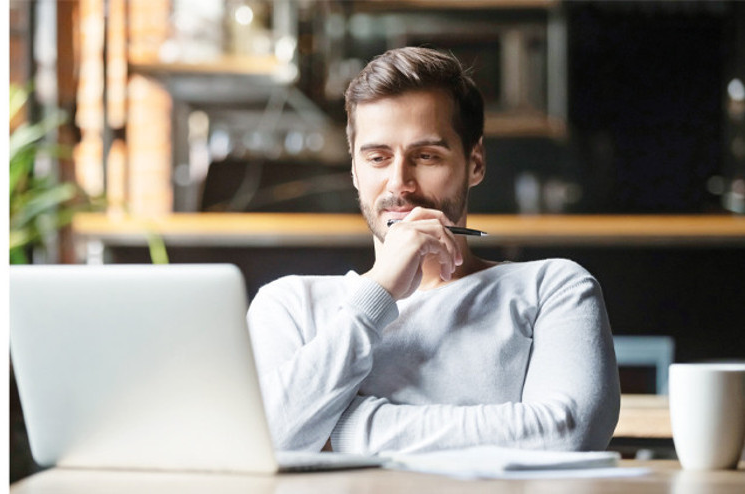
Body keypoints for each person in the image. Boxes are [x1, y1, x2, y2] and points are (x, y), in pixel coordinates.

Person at [246, 47, 620, 454]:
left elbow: (567, 434)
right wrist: (379, 292)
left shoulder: (553, 288)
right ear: (354, 170)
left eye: (426, 157)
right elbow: (262, 441)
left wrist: (343, 428)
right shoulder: (289, 304)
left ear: (474, 163)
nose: (399, 183)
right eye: (377, 157)